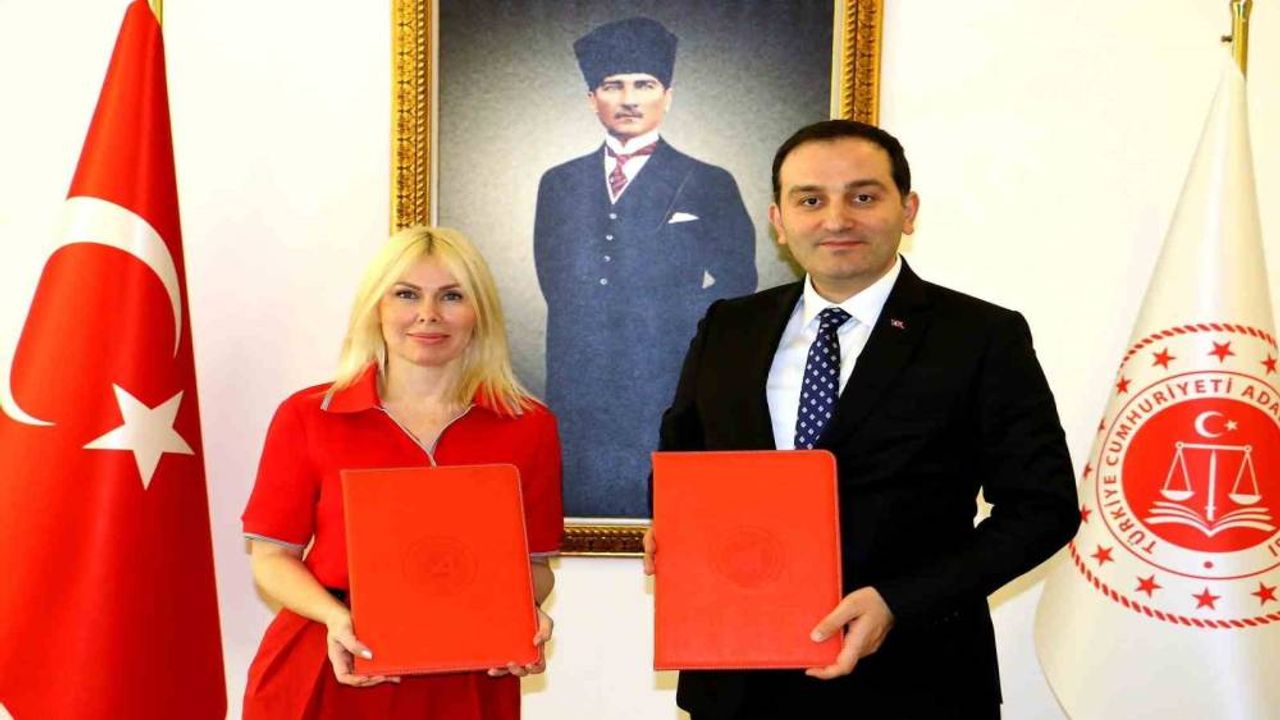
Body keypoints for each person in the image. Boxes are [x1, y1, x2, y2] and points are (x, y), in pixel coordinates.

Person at [644, 120, 1080, 718]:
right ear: (778, 220)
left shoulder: (981, 336)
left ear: (908, 210)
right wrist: (674, 528)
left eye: (864, 197)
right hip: (737, 683)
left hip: (915, 681)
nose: (836, 219)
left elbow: (1043, 508)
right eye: (810, 200)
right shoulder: (729, 327)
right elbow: (682, 464)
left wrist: (900, 602)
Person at [241, 226, 563, 719]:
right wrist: (335, 618)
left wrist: (519, 616)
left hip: (465, 676)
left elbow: (534, 566)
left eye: (452, 296)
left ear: (480, 313)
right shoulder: (308, 415)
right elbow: (271, 558)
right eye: (406, 294)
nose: (428, 314)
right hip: (333, 662)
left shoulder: (528, 425)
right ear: (377, 308)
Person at [534, 16, 757, 517]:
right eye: (613, 85)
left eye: (644, 85)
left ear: (667, 96)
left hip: (665, 378)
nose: (629, 99)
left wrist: (670, 323)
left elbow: (738, 282)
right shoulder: (559, 183)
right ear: (593, 99)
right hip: (579, 381)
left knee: (667, 504)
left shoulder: (708, 181)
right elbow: (554, 281)